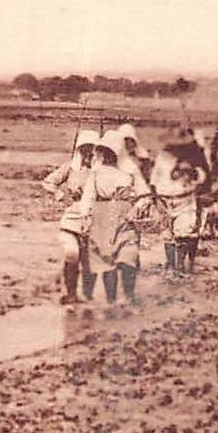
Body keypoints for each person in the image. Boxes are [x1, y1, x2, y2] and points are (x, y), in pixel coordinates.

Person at [80, 131, 144, 304]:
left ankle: (129, 296)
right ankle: (111, 301)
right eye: (104, 151)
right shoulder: (96, 172)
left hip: (126, 217)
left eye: (111, 151)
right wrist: (85, 215)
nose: (107, 155)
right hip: (102, 216)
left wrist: (136, 208)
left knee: (128, 254)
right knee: (106, 259)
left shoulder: (130, 170)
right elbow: (88, 195)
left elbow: (144, 194)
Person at [42, 128, 100, 304]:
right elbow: (48, 182)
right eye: (85, 148)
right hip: (71, 219)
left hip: (93, 220)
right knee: (71, 253)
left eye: (92, 148)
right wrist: (61, 195)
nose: (89, 153)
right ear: (80, 149)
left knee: (90, 261)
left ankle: (88, 296)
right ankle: (71, 293)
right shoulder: (69, 168)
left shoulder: (101, 171)